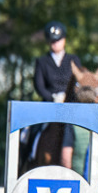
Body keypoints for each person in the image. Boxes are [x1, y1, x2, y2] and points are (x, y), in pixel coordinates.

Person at [31, 21, 82, 166]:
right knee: (32, 131)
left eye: (58, 41)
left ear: (64, 40)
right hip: (49, 105)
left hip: (69, 107)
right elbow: (39, 86)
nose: (55, 44)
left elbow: (78, 84)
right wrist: (53, 98)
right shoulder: (42, 61)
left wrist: (68, 99)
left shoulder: (73, 60)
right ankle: (28, 156)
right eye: (52, 41)